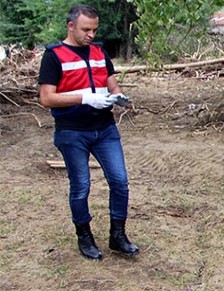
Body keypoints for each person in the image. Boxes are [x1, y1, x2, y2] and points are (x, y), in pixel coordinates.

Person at [38, 4, 138, 261]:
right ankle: (85, 237)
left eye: (94, 29)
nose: (91, 35)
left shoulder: (99, 52)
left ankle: (118, 235)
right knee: (81, 186)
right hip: (73, 131)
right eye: (86, 29)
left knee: (120, 181)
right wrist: (84, 98)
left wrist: (118, 97)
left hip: (104, 128)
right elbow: (46, 98)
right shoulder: (54, 56)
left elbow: (111, 82)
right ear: (71, 26)